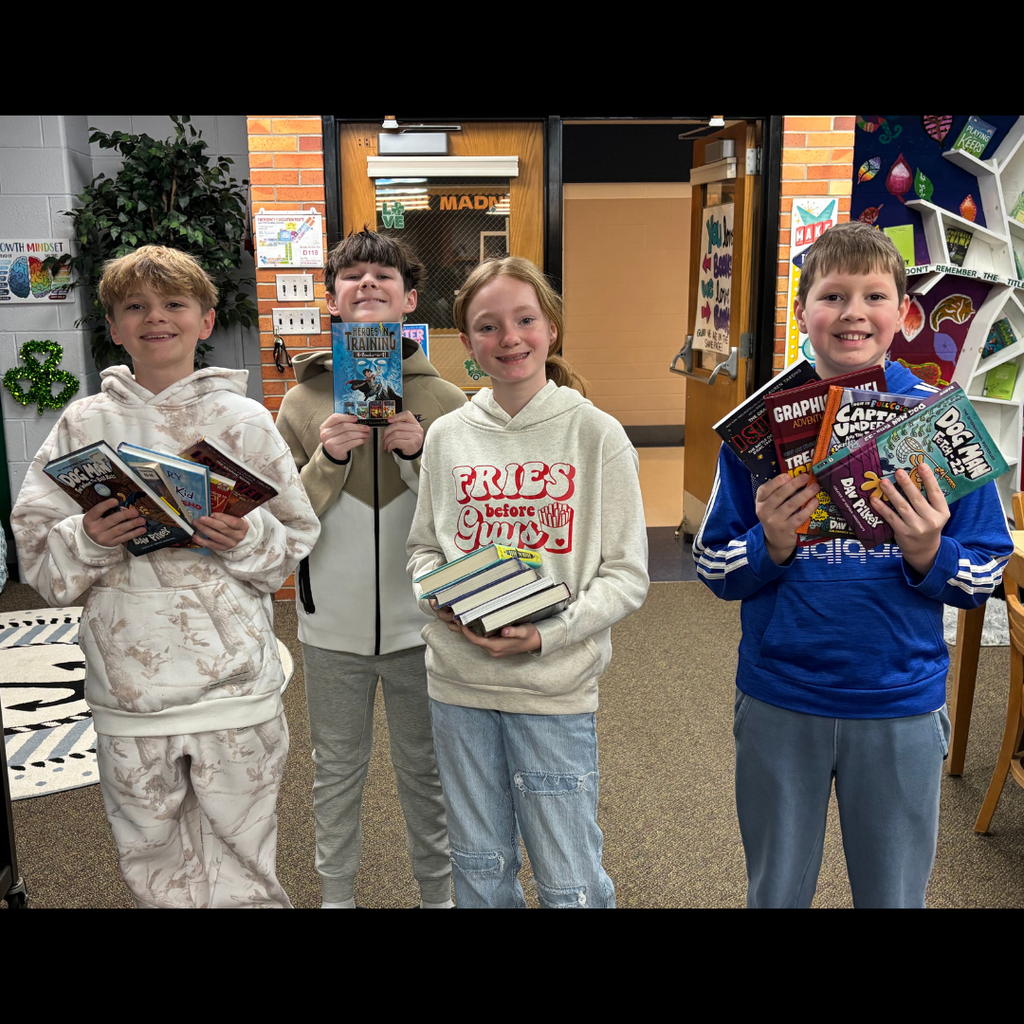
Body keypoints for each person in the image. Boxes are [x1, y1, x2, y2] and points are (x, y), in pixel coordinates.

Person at [694, 221, 1013, 908]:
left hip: (899, 699)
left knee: (894, 895)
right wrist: (769, 543)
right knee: (775, 890)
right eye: (833, 296)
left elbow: (987, 570)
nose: (853, 313)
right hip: (781, 694)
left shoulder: (939, 419)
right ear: (802, 310)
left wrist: (929, 553)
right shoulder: (760, 427)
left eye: (874, 296)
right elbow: (713, 564)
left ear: (904, 313)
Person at [11, 245, 320, 908]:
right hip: (129, 691)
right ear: (114, 328)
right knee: (151, 862)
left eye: (173, 303)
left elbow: (295, 539)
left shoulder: (244, 420)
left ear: (205, 321)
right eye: (135, 307)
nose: (155, 317)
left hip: (233, 684)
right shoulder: (82, 423)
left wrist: (246, 537)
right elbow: (35, 550)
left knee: (245, 860)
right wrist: (87, 537)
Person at [406, 256, 650, 908]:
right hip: (459, 685)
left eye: (525, 320)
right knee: (478, 866)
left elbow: (627, 575)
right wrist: (438, 597)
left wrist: (549, 636)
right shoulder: (447, 436)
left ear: (552, 329)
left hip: (552, 689)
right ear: (467, 342)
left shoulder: (596, 435)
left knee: (568, 877)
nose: (509, 338)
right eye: (488, 326)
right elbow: (424, 550)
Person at [276, 229, 467, 909]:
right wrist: (327, 461)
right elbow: (281, 521)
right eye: (351, 276)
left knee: (428, 770)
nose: (367, 284)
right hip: (330, 626)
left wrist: (419, 458)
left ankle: (438, 897)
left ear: (410, 298)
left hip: (426, 626)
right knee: (335, 771)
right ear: (331, 299)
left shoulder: (447, 402)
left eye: (384, 276)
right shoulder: (301, 403)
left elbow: (467, 523)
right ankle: (336, 898)